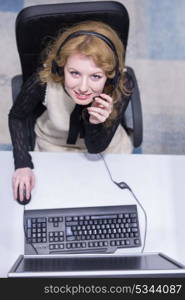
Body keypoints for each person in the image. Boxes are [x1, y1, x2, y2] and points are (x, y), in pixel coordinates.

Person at [8, 20, 133, 202]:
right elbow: (17, 117)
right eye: (74, 73)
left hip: (106, 150)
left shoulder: (121, 85)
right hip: (53, 146)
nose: (83, 87)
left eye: (96, 76)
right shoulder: (44, 79)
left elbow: (96, 147)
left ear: (110, 77)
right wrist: (22, 163)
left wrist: (96, 123)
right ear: (61, 67)